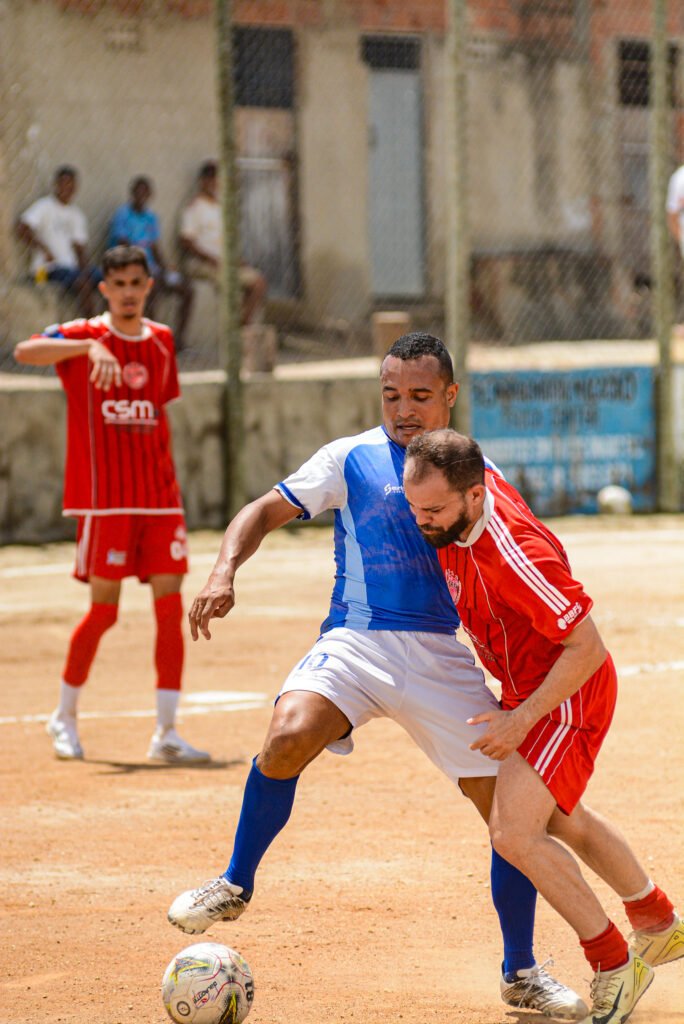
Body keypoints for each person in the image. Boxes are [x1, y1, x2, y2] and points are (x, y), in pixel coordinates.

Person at [167, 333, 587, 1020]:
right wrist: (222, 571)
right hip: (355, 643)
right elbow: (263, 510)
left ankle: (522, 971)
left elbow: (524, 566)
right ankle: (235, 882)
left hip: (440, 659)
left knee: (511, 821)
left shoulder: (479, 475)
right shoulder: (350, 457)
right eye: (392, 394)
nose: (403, 409)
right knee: (286, 736)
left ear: (450, 395)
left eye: (421, 396)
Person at [402, 429, 683, 1024]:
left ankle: (613, 963)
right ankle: (656, 921)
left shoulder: (515, 554)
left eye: (433, 511)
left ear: (476, 497)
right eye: (413, 506)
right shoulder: (455, 504)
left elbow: (587, 646)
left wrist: (520, 719)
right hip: (531, 689)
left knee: (513, 831)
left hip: (566, 693)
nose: (420, 521)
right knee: (560, 818)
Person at [13, 245, 209, 765]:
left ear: (148, 287)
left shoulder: (162, 341)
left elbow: (154, 414)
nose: (127, 292)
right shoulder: (84, 334)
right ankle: (63, 717)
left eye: (135, 283)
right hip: (106, 501)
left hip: (160, 499)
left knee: (170, 609)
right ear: (103, 287)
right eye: (117, 283)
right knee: (103, 612)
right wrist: (85, 350)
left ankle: (166, 732)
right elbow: (23, 351)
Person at [179, 160, 267, 326]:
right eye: (211, 180)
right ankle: (237, 329)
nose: (215, 184)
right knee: (232, 284)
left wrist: (235, 259)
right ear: (203, 181)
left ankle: (242, 326)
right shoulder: (194, 207)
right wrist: (211, 259)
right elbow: (186, 242)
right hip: (203, 263)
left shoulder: (220, 207)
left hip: (224, 262)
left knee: (258, 283)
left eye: (218, 180)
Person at [109, 176, 193, 350]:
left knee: (187, 289)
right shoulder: (123, 215)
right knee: (153, 286)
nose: (141, 196)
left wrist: (165, 266)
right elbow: (123, 246)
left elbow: (155, 247)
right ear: (132, 194)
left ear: (150, 195)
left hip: (152, 268)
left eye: (145, 193)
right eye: (138, 192)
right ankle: (148, 339)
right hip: (130, 267)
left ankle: (178, 340)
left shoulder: (151, 217)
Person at [16, 166, 100, 318]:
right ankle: (92, 327)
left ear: (75, 188)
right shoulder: (45, 206)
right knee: (82, 283)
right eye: (63, 183)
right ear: (56, 184)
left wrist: (86, 269)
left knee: (108, 280)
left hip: (70, 269)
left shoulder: (76, 215)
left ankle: (113, 327)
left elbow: (80, 248)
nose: (66, 188)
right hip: (44, 270)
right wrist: (43, 249)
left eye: (70, 184)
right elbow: (22, 227)